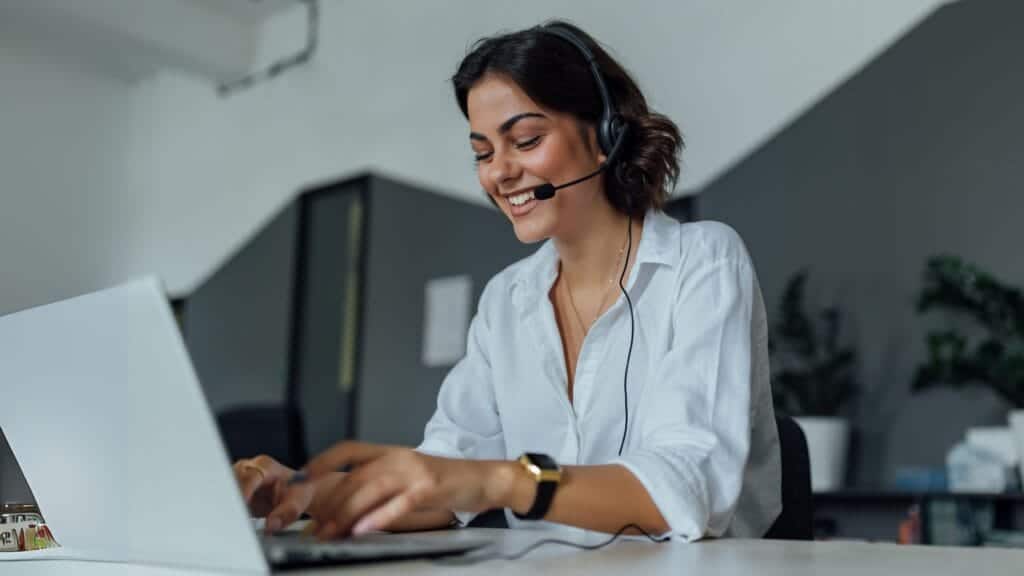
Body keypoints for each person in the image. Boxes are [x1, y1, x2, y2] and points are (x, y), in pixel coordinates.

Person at [233, 20, 780, 542]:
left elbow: (690, 486)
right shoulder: (506, 301)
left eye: (524, 140)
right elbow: (444, 480)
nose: (498, 172)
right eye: (482, 153)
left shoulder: (702, 262)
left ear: (606, 136)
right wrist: (308, 491)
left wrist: (499, 480)